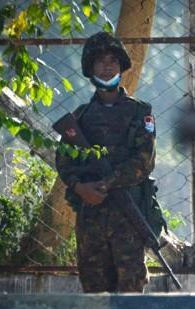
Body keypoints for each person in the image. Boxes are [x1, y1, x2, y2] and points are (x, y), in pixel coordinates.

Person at [55, 32, 157, 293]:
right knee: (94, 293)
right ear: (91, 68)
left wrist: (107, 183)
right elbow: (64, 162)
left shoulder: (140, 112)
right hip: (91, 219)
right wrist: (81, 189)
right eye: (101, 61)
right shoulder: (80, 118)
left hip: (128, 216)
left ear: (121, 65)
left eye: (113, 60)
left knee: (131, 294)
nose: (108, 66)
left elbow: (144, 162)